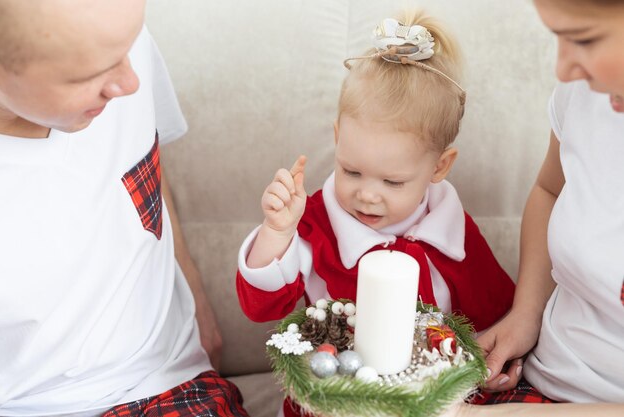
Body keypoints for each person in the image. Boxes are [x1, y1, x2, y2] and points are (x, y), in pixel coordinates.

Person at [235, 9, 515, 417]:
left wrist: (490, 369)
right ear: (337, 139)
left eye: (393, 182)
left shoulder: (453, 233)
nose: (367, 195)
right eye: (351, 170)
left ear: (439, 166)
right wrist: (277, 231)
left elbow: (491, 320)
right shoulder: (314, 223)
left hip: (428, 403)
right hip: (336, 400)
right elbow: (261, 308)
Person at [0, 1, 249, 416]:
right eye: (89, 75)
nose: (130, 82)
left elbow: (139, 164)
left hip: (167, 384)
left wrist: (193, 286)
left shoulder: (115, 46)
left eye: (129, 48)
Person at [442, 0, 624, 415]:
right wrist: (527, 312)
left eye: (585, 39)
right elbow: (549, 190)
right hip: (540, 379)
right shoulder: (585, 93)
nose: (563, 70)